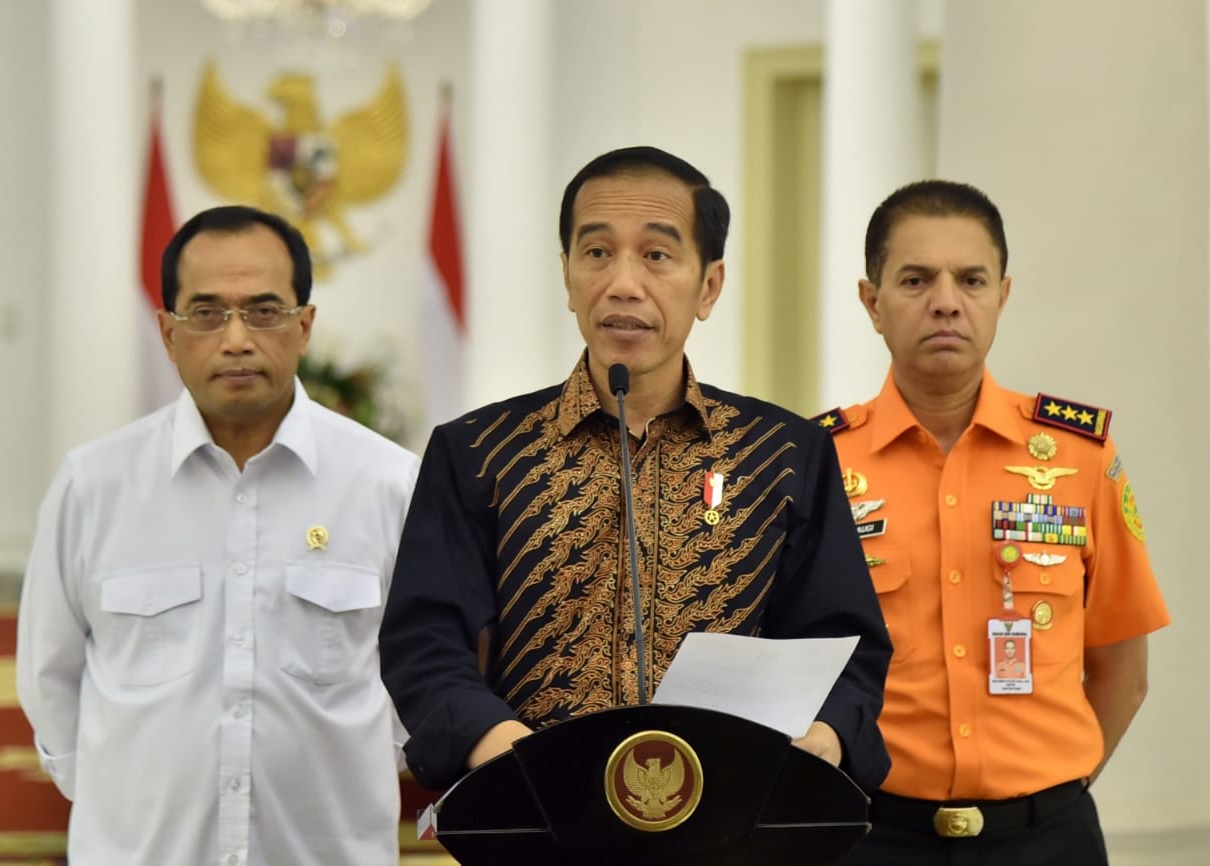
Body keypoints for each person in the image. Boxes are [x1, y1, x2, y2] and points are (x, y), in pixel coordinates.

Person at [378, 146, 892, 796]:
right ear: (567, 276)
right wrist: (502, 749)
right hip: (538, 814)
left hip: (731, 821)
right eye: (596, 253)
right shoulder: (479, 452)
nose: (623, 283)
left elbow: (843, 644)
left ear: (708, 286)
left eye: (657, 255)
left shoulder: (784, 455)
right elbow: (425, 640)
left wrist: (823, 734)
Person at [15, 205, 418, 866]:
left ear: (305, 326)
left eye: (264, 311)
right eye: (206, 314)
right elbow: (49, 676)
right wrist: (124, 806)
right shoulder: (94, 486)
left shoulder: (387, 484)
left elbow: (416, 676)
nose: (235, 339)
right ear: (168, 332)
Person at [821, 180, 1170, 864]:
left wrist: (1041, 800)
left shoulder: (1080, 457)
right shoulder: (820, 465)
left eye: (971, 279)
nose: (946, 301)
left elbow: (1123, 674)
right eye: (916, 279)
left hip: (1049, 839)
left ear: (1001, 297)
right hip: (871, 839)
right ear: (872, 302)